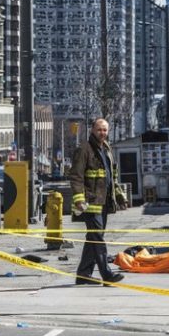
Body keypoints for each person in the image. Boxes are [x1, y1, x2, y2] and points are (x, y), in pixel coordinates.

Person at [68, 118, 125, 285]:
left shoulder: (106, 148)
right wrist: (79, 200)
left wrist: (120, 197)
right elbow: (76, 176)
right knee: (97, 237)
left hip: (104, 202)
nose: (102, 133)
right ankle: (107, 275)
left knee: (93, 238)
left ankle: (83, 275)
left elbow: (111, 177)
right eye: (99, 129)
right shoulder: (84, 149)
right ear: (92, 130)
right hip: (90, 203)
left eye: (105, 130)